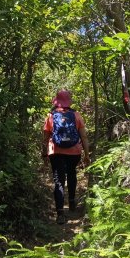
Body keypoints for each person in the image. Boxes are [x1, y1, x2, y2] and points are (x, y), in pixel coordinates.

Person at [42, 90, 90, 224]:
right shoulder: (76, 115)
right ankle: (72, 202)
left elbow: (45, 138)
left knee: (59, 180)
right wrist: (86, 154)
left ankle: (60, 213)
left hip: (56, 152)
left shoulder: (50, 116)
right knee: (71, 173)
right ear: (69, 101)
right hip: (74, 151)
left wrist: (44, 153)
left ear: (56, 101)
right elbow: (84, 136)